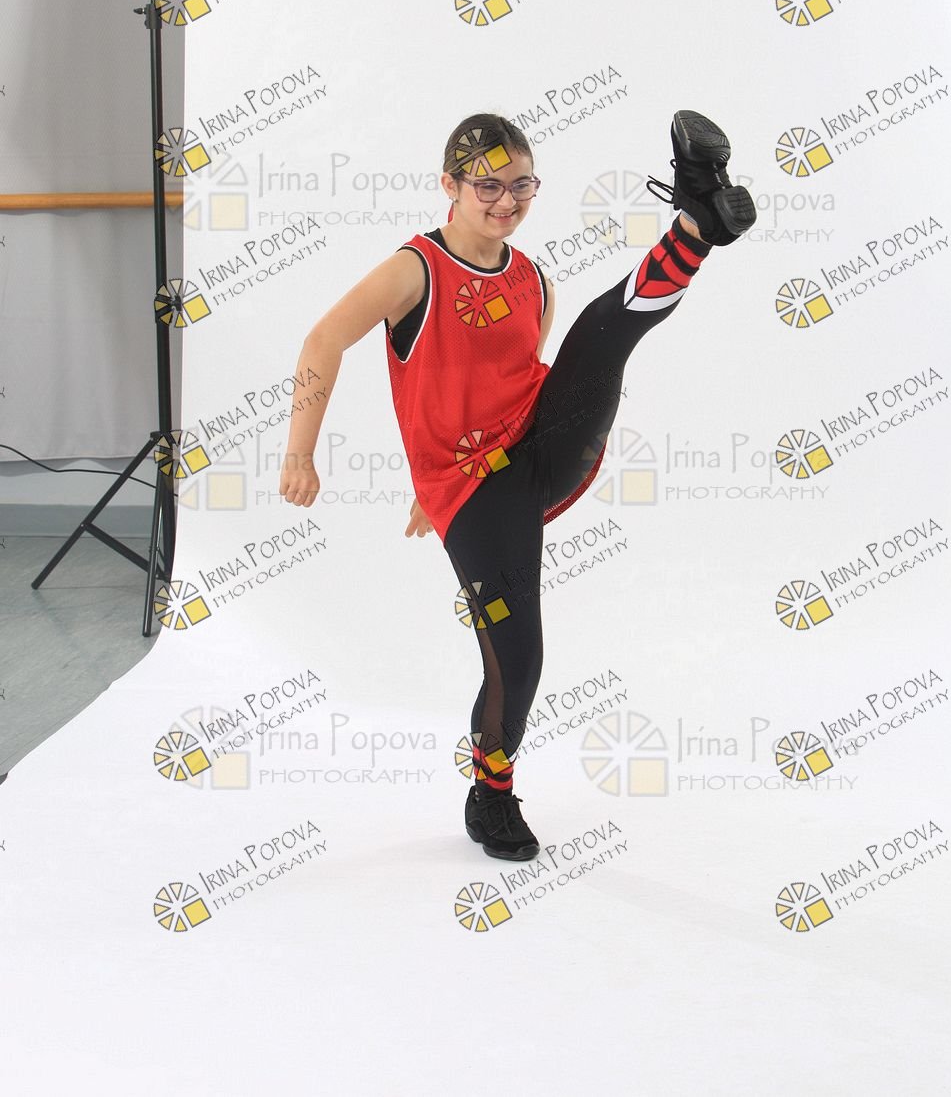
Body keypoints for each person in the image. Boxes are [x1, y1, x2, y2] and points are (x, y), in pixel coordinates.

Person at [279, 111, 755, 862]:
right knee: (518, 656)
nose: (507, 201)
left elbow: (512, 377)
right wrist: (302, 454)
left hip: (543, 446)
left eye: (522, 186)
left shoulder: (532, 277)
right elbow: (322, 340)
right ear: (450, 185)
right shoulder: (414, 270)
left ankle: (696, 221)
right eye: (489, 187)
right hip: (475, 491)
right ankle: (490, 794)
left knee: (602, 330)